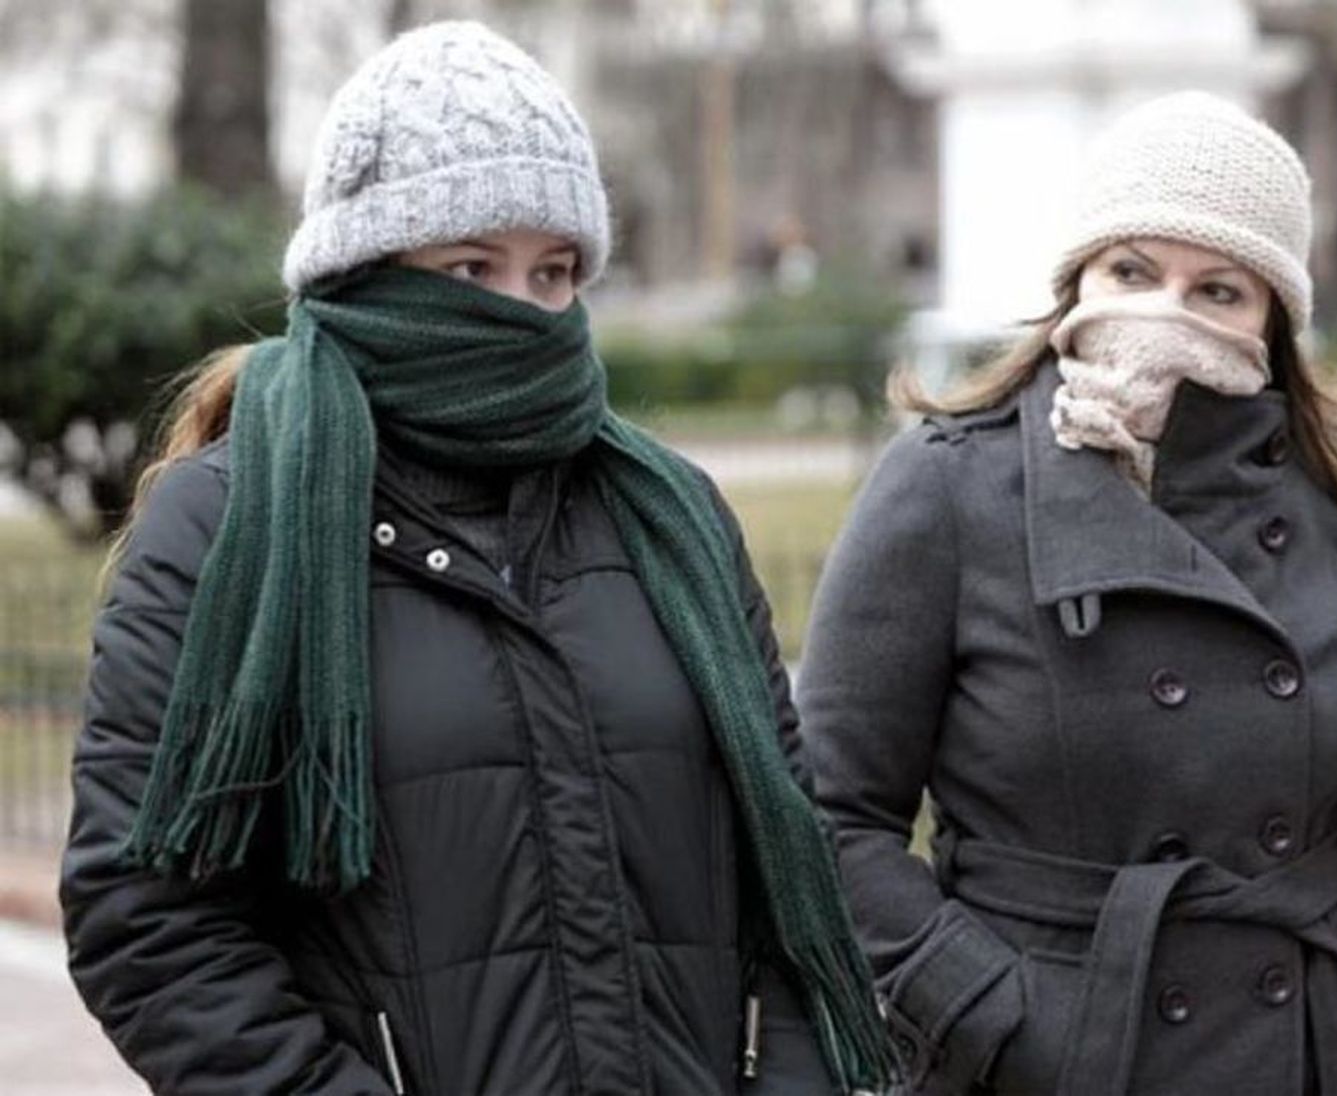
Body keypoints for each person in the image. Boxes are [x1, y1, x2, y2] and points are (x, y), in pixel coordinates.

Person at [59, 21, 893, 1096]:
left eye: (554, 271)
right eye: (471, 266)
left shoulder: (672, 517)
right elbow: (148, 921)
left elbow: (790, 866)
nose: (521, 311)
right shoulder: (225, 524)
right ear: (366, 274)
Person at [797, 92, 1337, 1095]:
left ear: (1271, 320)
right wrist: (990, 1013)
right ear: (1077, 281)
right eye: (1132, 272)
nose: (1167, 314)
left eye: (1218, 289)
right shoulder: (949, 486)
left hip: (1310, 1059)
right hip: (1060, 1064)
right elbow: (827, 816)